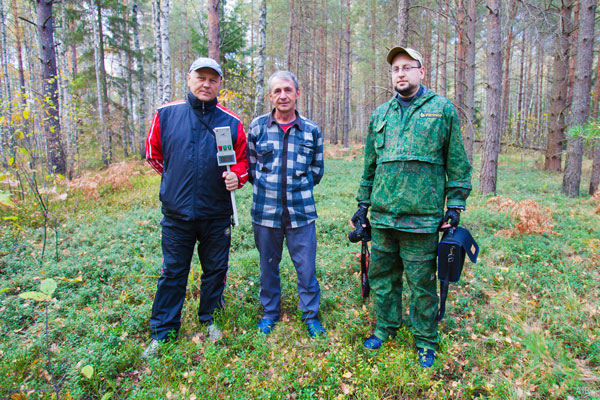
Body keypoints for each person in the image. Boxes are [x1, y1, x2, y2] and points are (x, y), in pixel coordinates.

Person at [352, 47, 472, 367]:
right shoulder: (381, 114)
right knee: (382, 277)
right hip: (383, 217)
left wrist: (455, 205)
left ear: (422, 71)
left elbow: (457, 163)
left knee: (421, 283)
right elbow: (370, 166)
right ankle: (386, 326)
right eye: (395, 69)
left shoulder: (442, 110)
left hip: (422, 218)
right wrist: (363, 206)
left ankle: (425, 339)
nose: (401, 73)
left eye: (407, 67)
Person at [143, 57, 248, 357]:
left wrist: (237, 177)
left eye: (213, 80)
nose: (206, 84)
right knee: (173, 272)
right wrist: (177, 179)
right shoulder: (166, 115)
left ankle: (210, 318)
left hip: (216, 214)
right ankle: (163, 331)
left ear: (219, 85)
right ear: (188, 78)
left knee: (215, 270)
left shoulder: (231, 122)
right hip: (177, 215)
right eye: (201, 78)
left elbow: (243, 162)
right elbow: (154, 154)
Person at [247, 71, 326, 338]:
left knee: (306, 267)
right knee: (268, 265)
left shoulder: (311, 130)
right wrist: (270, 189)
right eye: (277, 91)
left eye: (288, 90)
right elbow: (251, 168)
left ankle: (311, 316)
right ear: (270, 96)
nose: (283, 96)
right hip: (265, 213)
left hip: (301, 213)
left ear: (297, 94)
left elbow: (317, 170)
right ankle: (270, 313)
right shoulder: (257, 128)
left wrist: (296, 189)